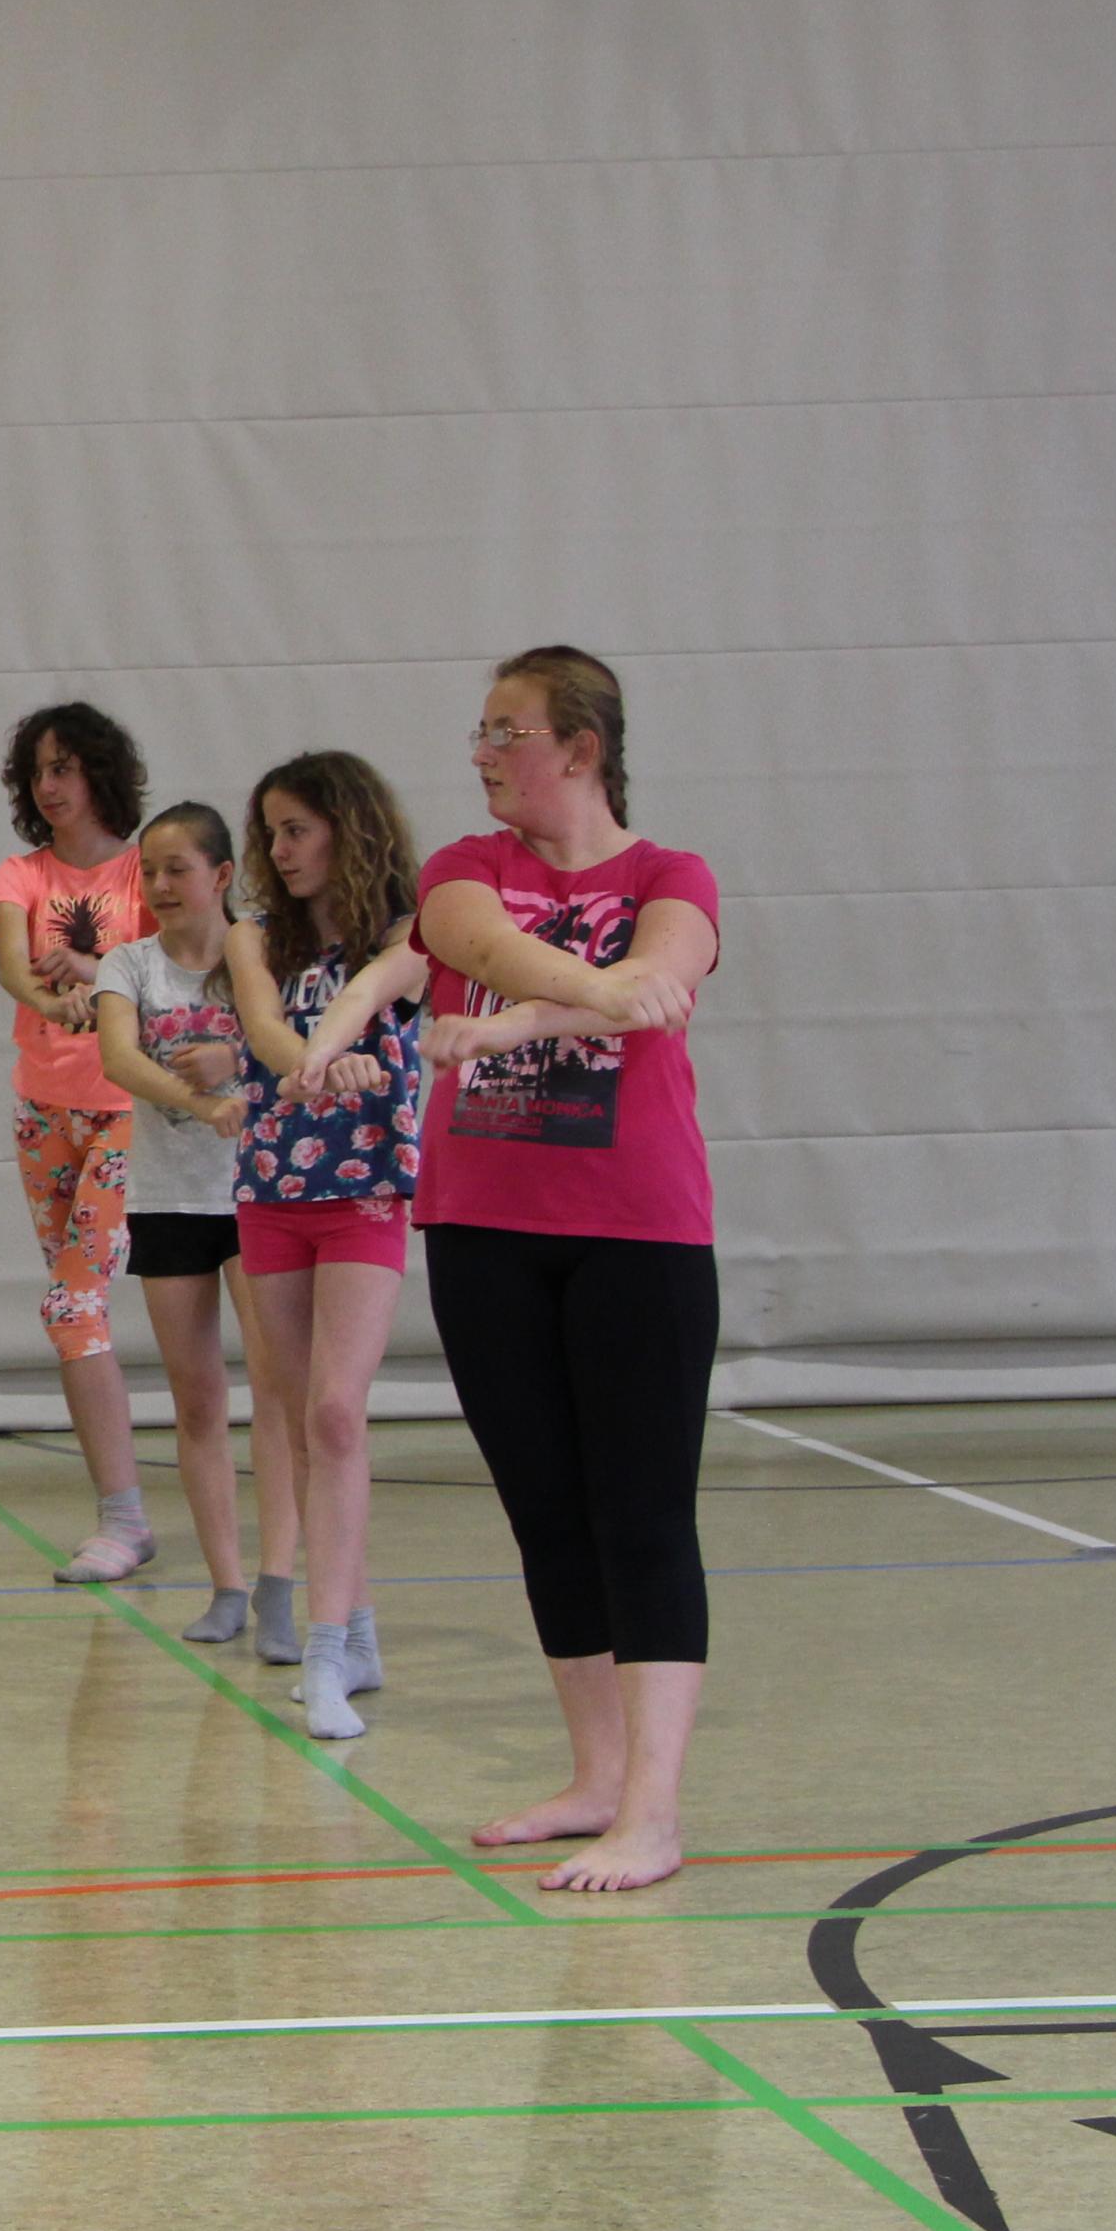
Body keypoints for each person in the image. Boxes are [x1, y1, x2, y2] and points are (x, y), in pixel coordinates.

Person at [415, 648, 722, 1893]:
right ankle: (595, 1777)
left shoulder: (670, 876)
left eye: (509, 731)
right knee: (544, 1508)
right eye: (481, 731)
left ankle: (652, 1812)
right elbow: (493, 948)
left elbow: (668, 974)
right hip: (482, 1229)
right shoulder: (462, 868)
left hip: (637, 1232)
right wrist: (585, 996)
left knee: (641, 1514)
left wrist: (512, 1026)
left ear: (581, 748)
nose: (483, 752)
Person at [223, 752, 425, 1736]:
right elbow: (263, 1029)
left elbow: (389, 986)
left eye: (297, 829)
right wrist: (311, 1063)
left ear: (350, 828)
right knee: (302, 1416)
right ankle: (358, 1625)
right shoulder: (254, 935)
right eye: (269, 832)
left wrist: (342, 1056)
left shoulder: (408, 931)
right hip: (272, 1191)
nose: (279, 849)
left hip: (366, 1192)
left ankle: (329, 1644)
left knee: (339, 1410)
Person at [91, 804, 301, 1644]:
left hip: (255, 1196)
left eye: (179, 869)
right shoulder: (129, 964)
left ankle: (279, 1582)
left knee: (276, 1393)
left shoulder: (262, 957)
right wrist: (203, 1101)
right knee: (197, 1400)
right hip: (169, 1201)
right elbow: (118, 1056)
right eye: (150, 871)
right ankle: (227, 1585)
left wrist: (236, 1063)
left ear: (221, 876)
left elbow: (298, 1043)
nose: (162, 885)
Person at [0, 703, 157, 1582]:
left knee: (72, 1305)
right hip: (44, 1111)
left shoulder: (145, 872)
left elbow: (181, 972)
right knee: (73, 1316)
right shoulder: (21, 874)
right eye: (37, 772)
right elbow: (14, 969)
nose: (49, 787)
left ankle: (123, 1520)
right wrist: (55, 1001)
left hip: (124, 1110)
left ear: (99, 773)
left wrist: (100, 976)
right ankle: (120, 1512)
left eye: (65, 768)